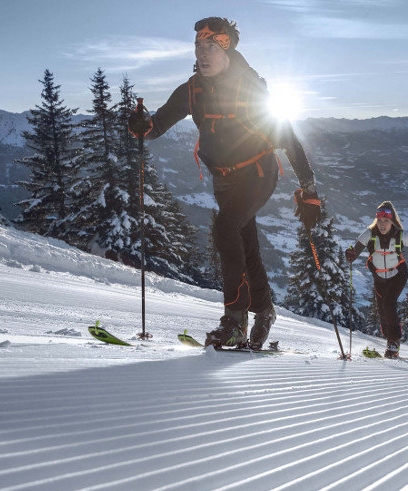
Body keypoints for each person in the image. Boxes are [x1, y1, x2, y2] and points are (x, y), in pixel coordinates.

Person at [128, 17, 321, 350]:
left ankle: (235, 321)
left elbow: (288, 138)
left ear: (227, 48)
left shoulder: (249, 88)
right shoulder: (193, 89)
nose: (203, 53)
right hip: (224, 180)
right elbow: (155, 126)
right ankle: (264, 311)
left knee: (225, 228)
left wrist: (310, 190)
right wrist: (140, 125)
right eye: (198, 46)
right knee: (245, 243)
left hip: (258, 172)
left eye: (211, 46)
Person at [345, 202, 408, 358]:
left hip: (398, 275)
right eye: (380, 220)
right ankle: (390, 339)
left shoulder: (401, 235)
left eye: (386, 220)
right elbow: (354, 253)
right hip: (379, 277)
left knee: (389, 303)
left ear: (392, 221)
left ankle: (394, 343)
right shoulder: (369, 234)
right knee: (382, 309)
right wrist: (350, 255)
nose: (382, 224)